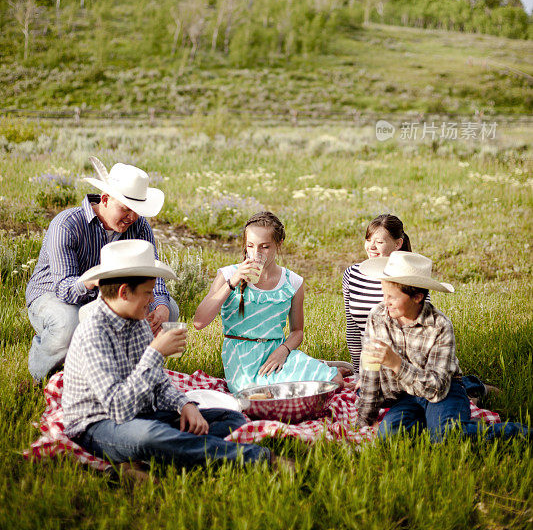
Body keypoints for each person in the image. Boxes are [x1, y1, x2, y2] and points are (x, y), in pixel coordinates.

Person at [62, 239, 271, 471]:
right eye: (148, 292)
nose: (153, 299)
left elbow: (159, 382)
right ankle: (258, 459)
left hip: (143, 413)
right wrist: (156, 352)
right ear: (124, 292)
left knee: (231, 419)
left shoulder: (138, 321)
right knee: (151, 436)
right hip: (100, 425)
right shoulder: (94, 333)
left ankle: (151, 459)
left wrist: (185, 405)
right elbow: (119, 408)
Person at [26, 157, 179, 382]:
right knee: (70, 323)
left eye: (137, 210)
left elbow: (152, 271)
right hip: (54, 294)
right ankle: (45, 377)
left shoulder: (139, 224)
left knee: (169, 311)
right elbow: (64, 288)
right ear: (105, 199)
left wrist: (161, 305)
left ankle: (132, 373)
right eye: (126, 209)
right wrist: (96, 280)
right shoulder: (66, 224)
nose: (133, 217)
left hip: (109, 294)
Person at [356, 251, 531, 442]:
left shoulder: (440, 326)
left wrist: (396, 363)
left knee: (445, 437)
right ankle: (440, 414)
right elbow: (370, 371)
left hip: (444, 390)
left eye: (392, 297)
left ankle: (518, 431)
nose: (385, 302)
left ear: (417, 297)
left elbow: (436, 389)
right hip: (405, 395)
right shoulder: (378, 318)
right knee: (390, 436)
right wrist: (365, 418)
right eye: (384, 294)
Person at [194, 211, 343, 394]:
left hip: (278, 355)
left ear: (279, 244)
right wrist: (232, 282)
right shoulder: (227, 275)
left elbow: (297, 331)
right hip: (242, 360)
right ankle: (318, 366)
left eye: (265, 247)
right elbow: (199, 322)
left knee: (335, 382)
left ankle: (318, 367)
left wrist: (284, 351)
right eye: (250, 245)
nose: (256, 253)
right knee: (260, 396)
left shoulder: (292, 282)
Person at [342, 214, 487, 399]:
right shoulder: (352, 274)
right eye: (368, 240)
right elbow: (353, 328)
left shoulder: (410, 278)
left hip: (410, 364)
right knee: (364, 394)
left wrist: (401, 371)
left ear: (397, 244)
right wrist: (360, 372)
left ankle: (462, 384)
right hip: (375, 363)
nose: (371, 246)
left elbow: (422, 332)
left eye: (379, 242)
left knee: (420, 394)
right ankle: (464, 384)